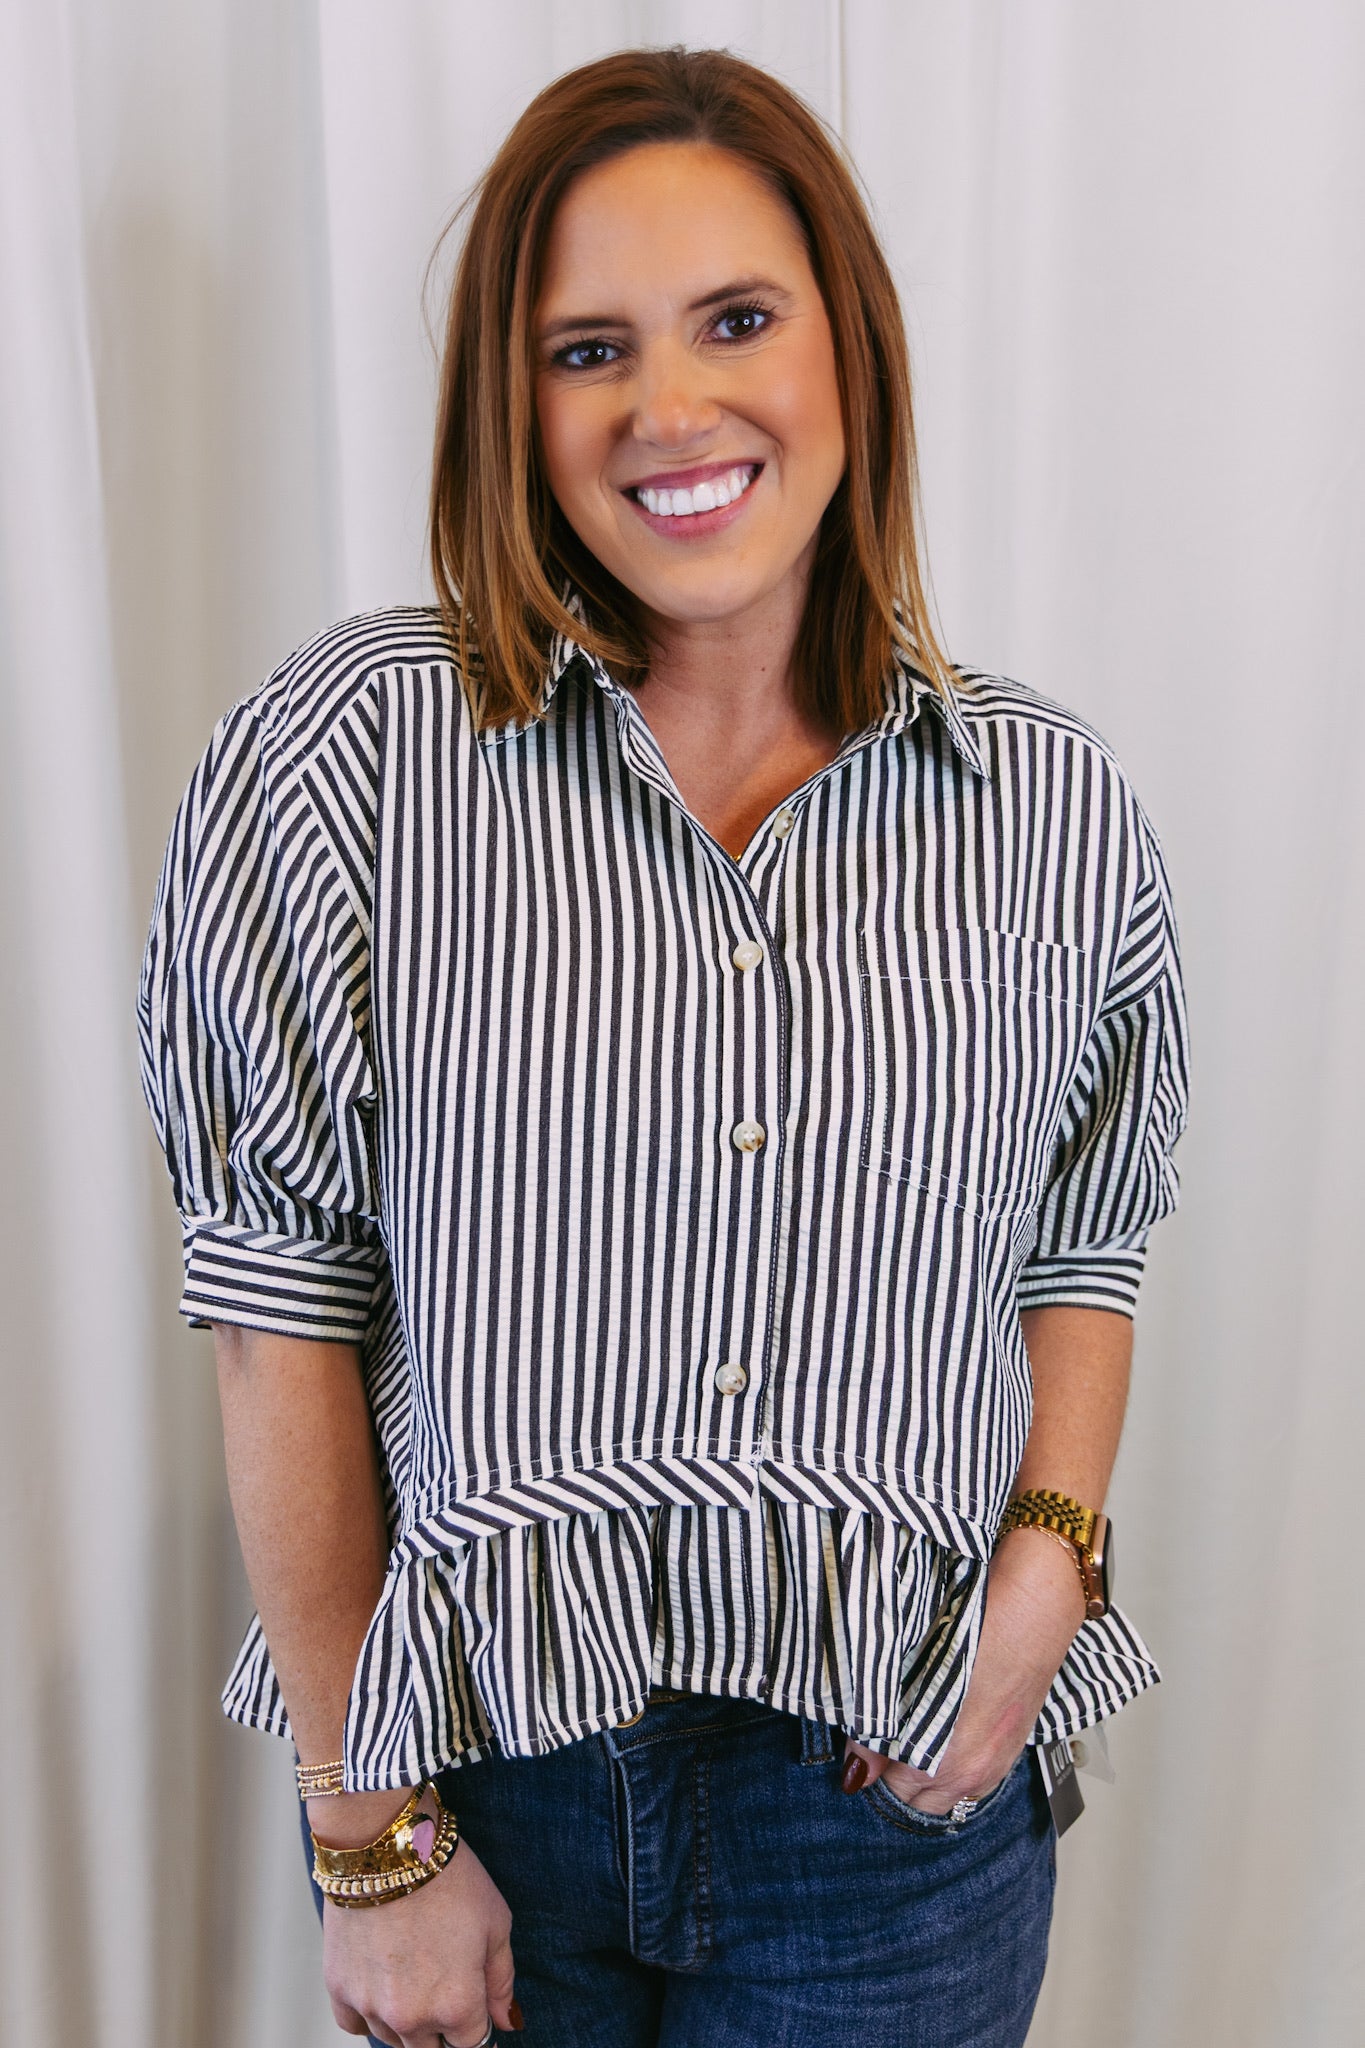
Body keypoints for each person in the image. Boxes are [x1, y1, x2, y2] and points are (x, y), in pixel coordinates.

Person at [139, 45, 1188, 2048]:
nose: (669, 406)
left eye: (732, 319)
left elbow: (1079, 1240)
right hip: (487, 1787)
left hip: (888, 1811)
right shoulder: (349, 763)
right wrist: (370, 1835)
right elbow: (278, 1296)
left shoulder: (1045, 804)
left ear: (845, 352)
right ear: (508, 404)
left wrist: (1048, 1556)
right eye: (585, 347)